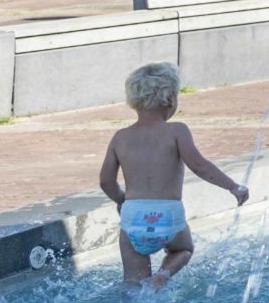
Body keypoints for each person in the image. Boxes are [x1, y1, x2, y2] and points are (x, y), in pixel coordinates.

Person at [99, 63, 247, 288]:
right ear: (170, 99)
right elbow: (199, 165)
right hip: (168, 214)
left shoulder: (120, 137)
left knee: (132, 284)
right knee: (184, 249)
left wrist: (121, 200)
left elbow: (106, 181)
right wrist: (232, 186)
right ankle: (163, 274)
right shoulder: (177, 131)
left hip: (133, 215)